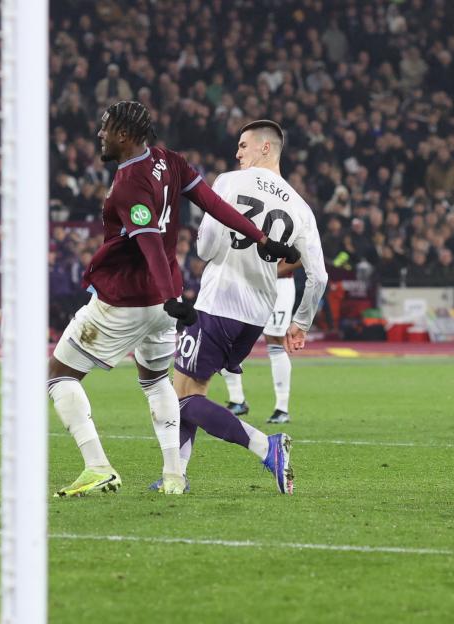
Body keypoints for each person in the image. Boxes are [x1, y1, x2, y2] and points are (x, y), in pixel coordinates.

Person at [49, 102, 299, 498]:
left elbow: (147, 243)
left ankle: (97, 466)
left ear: (125, 136)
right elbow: (214, 206)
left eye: (106, 129)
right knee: (155, 382)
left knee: (59, 375)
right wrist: (262, 238)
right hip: (162, 306)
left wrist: (173, 296)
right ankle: (173, 477)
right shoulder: (169, 161)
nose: (100, 135)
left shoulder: (129, 183)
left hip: (126, 300)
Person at [168, 120, 327, 494]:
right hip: (256, 315)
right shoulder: (302, 208)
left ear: (265, 148)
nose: (237, 153)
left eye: (243, 145)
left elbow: (206, 245)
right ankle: (176, 478)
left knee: (182, 396)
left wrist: (205, 250)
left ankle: (265, 446)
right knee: (189, 390)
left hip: (219, 301)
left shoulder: (229, 181)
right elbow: (318, 276)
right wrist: (300, 324)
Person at [220, 260, 300, 424]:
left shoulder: (294, 232)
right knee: (227, 337)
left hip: (278, 284)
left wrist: (269, 273)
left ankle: (281, 409)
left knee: (275, 341)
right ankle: (237, 400)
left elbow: (300, 256)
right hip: (245, 282)